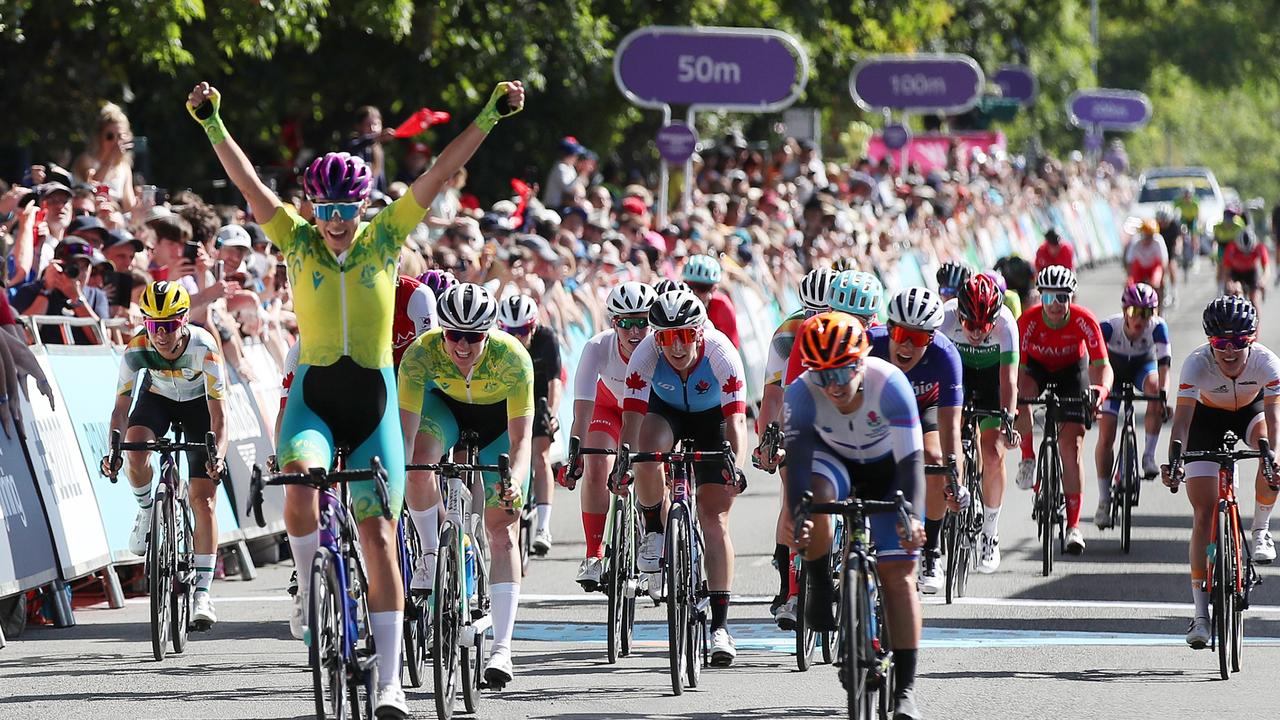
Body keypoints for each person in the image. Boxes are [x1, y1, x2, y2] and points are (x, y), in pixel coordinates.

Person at [187, 77, 524, 717]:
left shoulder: (385, 237)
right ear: (313, 208)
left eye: (348, 210)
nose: (338, 221)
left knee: (378, 533)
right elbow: (247, 183)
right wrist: (212, 123)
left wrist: (489, 116)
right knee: (301, 479)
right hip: (315, 395)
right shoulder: (295, 238)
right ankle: (310, 587)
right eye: (328, 210)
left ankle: (392, 682)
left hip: (374, 400)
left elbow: (444, 166)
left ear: (363, 209)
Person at [784, 312, 926, 720]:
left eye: (843, 371)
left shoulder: (891, 384)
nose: (834, 386)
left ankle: (906, 692)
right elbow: (798, 469)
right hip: (835, 463)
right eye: (822, 375)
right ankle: (817, 582)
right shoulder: (800, 393)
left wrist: (912, 517)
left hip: (888, 469)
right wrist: (800, 515)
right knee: (816, 500)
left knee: (899, 577)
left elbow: (911, 462)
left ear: (862, 360)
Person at [399, 283, 533, 689]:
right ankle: (428, 552)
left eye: (472, 337)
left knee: (502, 532)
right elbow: (405, 434)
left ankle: (503, 648)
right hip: (445, 412)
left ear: (488, 334)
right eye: (453, 334)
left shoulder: (513, 358)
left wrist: (514, 482)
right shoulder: (420, 353)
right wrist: (405, 474)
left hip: (497, 427)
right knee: (418, 465)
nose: (461, 345)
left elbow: (522, 439)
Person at [621, 289, 749, 666]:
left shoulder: (722, 353)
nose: (676, 347)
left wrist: (735, 467)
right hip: (667, 413)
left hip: (714, 422)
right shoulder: (645, 355)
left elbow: (737, 421)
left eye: (685, 336)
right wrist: (622, 464)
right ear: (655, 337)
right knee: (645, 456)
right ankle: (655, 529)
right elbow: (630, 420)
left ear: (700, 333)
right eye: (665, 338)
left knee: (714, 518)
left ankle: (721, 627)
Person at [100, 282, 228, 628]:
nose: (161, 334)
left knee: (204, 501)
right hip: (158, 399)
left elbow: (219, 417)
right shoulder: (136, 348)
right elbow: (120, 411)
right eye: (153, 325)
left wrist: (218, 456)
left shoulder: (205, 347)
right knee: (135, 449)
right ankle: (145, 511)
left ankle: (202, 592)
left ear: (183, 320)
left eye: (168, 325)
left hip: (200, 406)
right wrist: (114, 451)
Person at [1162, 296, 1280, 649]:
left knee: (1269, 454)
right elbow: (1182, 423)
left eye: (1238, 343)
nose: (1229, 352)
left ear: (1252, 339)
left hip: (1250, 414)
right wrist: (1175, 460)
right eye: (1220, 344)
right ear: (1209, 341)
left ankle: (1260, 531)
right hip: (1205, 421)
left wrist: (1273, 457)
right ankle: (1200, 615)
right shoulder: (1196, 365)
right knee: (1204, 512)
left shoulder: (1267, 364)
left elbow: (1274, 422)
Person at [560, 281, 657, 589]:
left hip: (647, 413)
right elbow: (583, 413)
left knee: (652, 469)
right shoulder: (597, 347)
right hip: (608, 408)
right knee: (596, 465)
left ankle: (659, 548)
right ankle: (593, 554)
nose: (635, 331)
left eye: (643, 322)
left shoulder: (660, 347)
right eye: (626, 323)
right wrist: (574, 456)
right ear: (614, 323)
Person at [753, 266, 834, 626]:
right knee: (792, 492)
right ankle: (789, 590)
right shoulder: (788, 333)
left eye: (826, 312)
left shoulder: (854, 330)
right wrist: (767, 441)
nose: (817, 320)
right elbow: (772, 397)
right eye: (810, 313)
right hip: (798, 407)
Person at [870, 288, 964, 594]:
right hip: (879, 407)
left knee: (935, 460)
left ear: (932, 339)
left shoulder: (945, 355)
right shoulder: (870, 344)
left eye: (920, 338)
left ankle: (931, 551)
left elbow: (951, 428)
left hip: (925, 409)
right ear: (889, 328)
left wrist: (955, 480)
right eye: (901, 333)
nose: (908, 344)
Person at [1014, 265, 1112, 555]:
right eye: (1048, 298)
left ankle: (1072, 527)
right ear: (1039, 298)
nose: (1055, 305)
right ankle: (1029, 457)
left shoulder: (1084, 321)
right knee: (1023, 394)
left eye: (1062, 298)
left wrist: (1099, 392)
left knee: (1072, 447)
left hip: (1072, 371)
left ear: (1072, 298)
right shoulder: (1028, 322)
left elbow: (1102, 367)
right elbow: (1014, 370)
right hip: (1036, 369)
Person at [940, 273, 1022, 573]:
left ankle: (990, 531)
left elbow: (1009, 381)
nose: (977, 332)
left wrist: (1008, 420)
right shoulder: (945, 317)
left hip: (992, 379)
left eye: (984, 325)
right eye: (970, 324)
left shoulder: (1006, 324)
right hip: (957, 374)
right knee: (947, 439)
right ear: (959, 314)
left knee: (992, 451)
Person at [1094, 283, 1170, 527]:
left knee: (1154, 389)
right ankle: (1104, 500)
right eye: (1134, 312)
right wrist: (1096, 395)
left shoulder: (1158, 328)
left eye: (1147, 313)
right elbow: (1093, 363)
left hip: (1142, 368)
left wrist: (1163, 395)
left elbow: (1164, 364)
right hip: (1113, 374)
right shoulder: (1108, 327)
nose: (1140, 319)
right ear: (1124, 310)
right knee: (1106, 435)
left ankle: (1148, 456)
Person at [497, 293, 563, 554]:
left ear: (533, 327)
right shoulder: (498, 343)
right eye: (510, 332)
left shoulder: (546, 339)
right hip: (510, 397)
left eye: (522, 331)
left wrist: (553, 413)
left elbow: (555, 381)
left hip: (539, 397)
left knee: (540, 456)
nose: (516, 339)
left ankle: (543, 527)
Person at [682, 254, 740, 348]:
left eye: (702, 288)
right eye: (691, 286)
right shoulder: (676, 300)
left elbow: (731, 348)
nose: (695, 292)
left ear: (713, 289)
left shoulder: (723, 306)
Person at [1219, 228, 1269, 310]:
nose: (1245, 255)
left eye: (1249, 252)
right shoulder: (1231, 248)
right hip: (1236, 272)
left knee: (1254, 300)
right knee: (1234, 297)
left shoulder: (1260, 247)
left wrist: (1263, 280)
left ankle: (1257, 322)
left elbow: (1266, 269)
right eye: (1242, 252)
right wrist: (1229, 282)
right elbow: (1226, 270)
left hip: (1251, 272)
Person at [1126, 219, 1170, 305]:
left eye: (1151, 236)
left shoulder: (1158, 241)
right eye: (1147, 236)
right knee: (1132, 287)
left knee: (1156, 284)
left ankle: (1158, 304)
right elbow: (1129, 262)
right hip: (1139, 266)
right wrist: (1129, 277)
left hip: (1153, 266)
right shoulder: (1135, 241)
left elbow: (1163, 261)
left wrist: (1163, 279)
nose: (1149, 239)